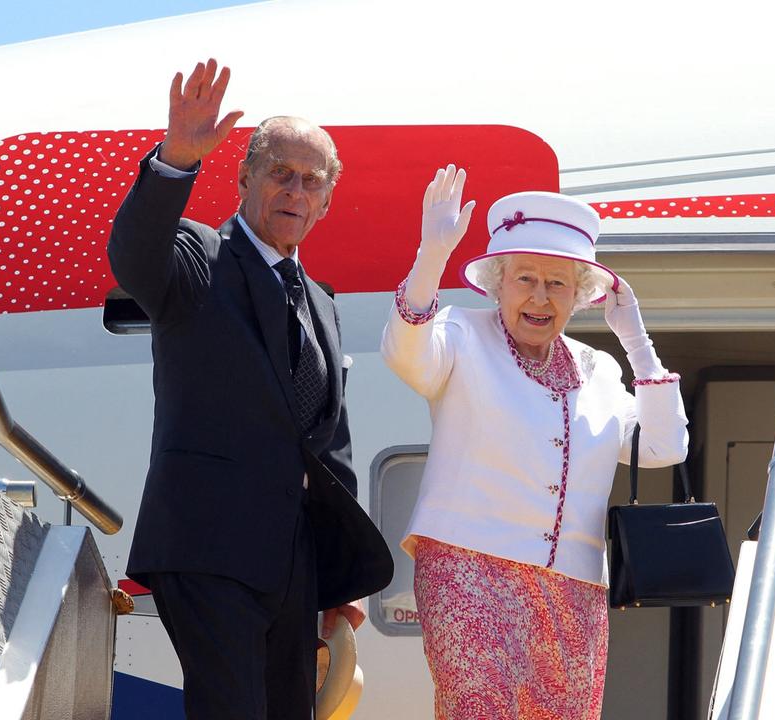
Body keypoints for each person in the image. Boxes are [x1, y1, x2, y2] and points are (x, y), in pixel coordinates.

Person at [107, 58, 393, 720]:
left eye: (310, 181)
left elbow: (330, 448)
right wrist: (174, 160)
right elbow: (133, 255)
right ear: (245, 179)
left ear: (326, 200)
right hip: (207, 544)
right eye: (280, 174)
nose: (295, 191)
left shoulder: (320, 302)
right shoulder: (197, 259)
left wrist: (337, 580)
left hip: (292, 560)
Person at [381, 165, 688, 719]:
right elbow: (407, 356)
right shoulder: (461, 334)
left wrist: (635, 338)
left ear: (579, 297)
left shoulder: (598, 368)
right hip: (467, 567)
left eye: (557, 284)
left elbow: (665, 447)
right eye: (525, 278)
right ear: (500, 282)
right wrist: (432, 253)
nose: (540, 297)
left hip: (573, 588)